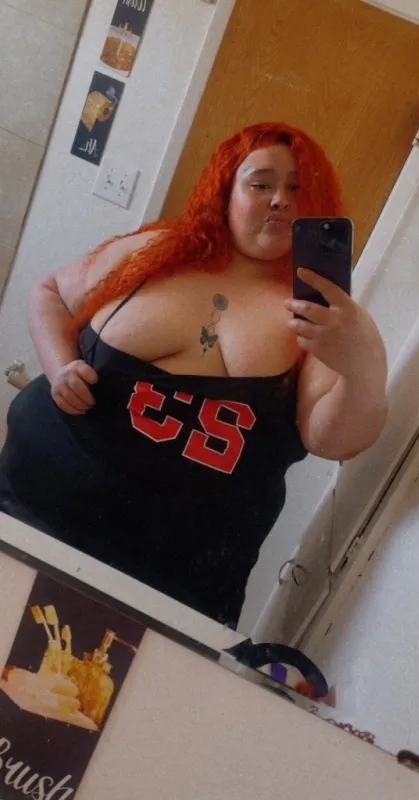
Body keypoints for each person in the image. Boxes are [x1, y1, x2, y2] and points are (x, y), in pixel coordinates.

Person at [0, 122, 388, 626]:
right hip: (29, 513)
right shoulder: (154, 251)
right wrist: (59, 366)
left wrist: (360, 367)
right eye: (261, 184)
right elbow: (49, 292)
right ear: (226, 189)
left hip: (171, 584)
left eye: (298, 188)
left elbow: (331, 440)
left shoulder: (320, 314)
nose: (279, 199)